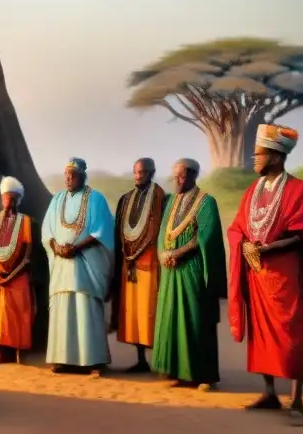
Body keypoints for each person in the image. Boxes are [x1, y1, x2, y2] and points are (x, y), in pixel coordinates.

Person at [227, 125, 303, 422]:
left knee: (292, 336)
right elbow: (237, 227)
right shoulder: (252, 191)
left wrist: (269, 249)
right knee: (261, 337)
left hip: (286, 277)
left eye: (258, 154)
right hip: (256, 276)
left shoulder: (301, 191)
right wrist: (247, 244)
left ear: (275, 157)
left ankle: (297, 400)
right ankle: (270, 393)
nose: (254, 160)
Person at [150, 158, 226, 389]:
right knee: (173, 318)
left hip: (192, 268)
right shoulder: (171, 201)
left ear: (193, 175)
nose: (177, 180)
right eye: (175, 176)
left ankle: (204, 375)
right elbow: (164, 232)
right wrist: (164, 254)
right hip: (171, 270)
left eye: (181, 175)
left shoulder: (206, 202)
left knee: (196, 318)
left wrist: (180, 252)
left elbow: (206, 235)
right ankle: (179, 372)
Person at [42, 158, 114, 374]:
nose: (68, 179)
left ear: (83, 176)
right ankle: (63, 359)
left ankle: (92, 360)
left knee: (85, 309)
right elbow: (47, 230)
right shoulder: (57, 200)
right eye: (66, 175)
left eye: (72, 175)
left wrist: (77, 247)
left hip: (86, 265)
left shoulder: (96, 199)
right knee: (63, 310)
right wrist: (55, 246)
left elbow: (101, 232)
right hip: (62, 265)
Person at [111, 158, 167, 373]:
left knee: (151, 311)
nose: (138, 176)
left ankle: (160, 360)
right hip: (129, 265)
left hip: (151, 265)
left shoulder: (161, 198)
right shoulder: (125, 200)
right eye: (135, 172)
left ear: (151, 173)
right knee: (133, 313)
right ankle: (140, 358)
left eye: (142, 173)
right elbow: (119, 233)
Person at [0, 176, 35, 364]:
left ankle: (18, 353)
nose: (8, 202)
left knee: (18, 312)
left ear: (17, 200)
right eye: (5, 198)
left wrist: (11, 276)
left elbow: (27, 255)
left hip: (17, 276)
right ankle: (0, 353)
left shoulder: (25, 221)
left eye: (12, 198)